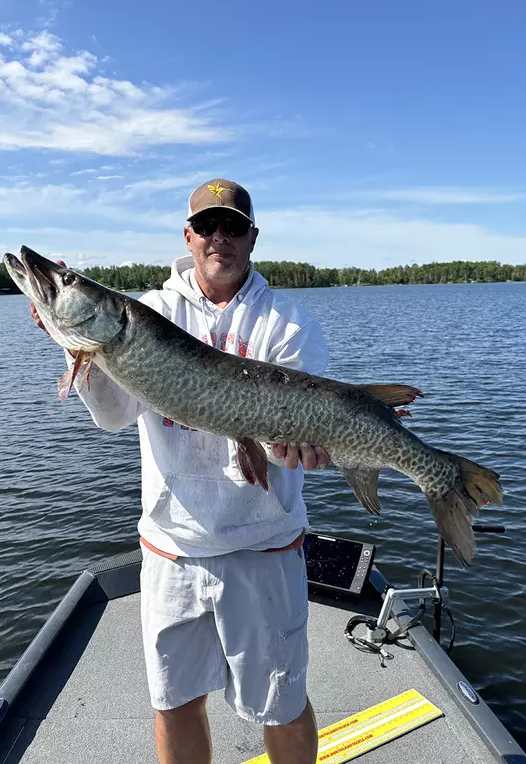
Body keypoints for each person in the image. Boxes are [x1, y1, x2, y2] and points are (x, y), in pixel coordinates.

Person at [31, 179, 331, 764]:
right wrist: (74, 347)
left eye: (234, 226)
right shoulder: (150, 312)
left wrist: (301, 447)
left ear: (252, 236)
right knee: (174, 703)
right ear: (188, 236)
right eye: (209, 227)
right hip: (173, 547)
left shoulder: (288, 321)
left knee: (282, 706)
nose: (221, 237)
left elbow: (290, 432)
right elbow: (116, 416)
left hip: (262, 545)